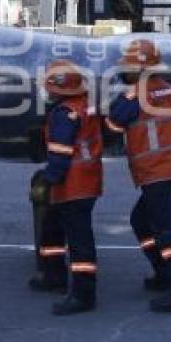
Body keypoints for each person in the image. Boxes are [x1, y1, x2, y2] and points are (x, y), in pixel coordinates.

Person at [106, 39, 171, 313]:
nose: (124, 71)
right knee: (141, 220)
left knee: (167, 231)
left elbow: (113, 124)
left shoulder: (135, 96)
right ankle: (164, 272)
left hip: (156, 172)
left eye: (129, 67)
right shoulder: (167, 90)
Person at [29, 59, 103, 316]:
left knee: (78, 239)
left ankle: (84, 294)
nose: (46, 92)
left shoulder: (64, 114)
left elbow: (60, 153)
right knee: (52, 229)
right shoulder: (84, 105)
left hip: (73, 184)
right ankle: (54, 275)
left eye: (49, 88)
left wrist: (47, 181)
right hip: (86, 179)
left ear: (60, 90)